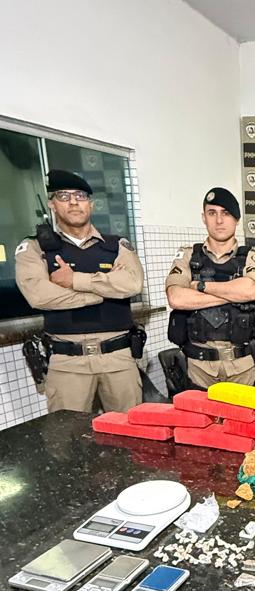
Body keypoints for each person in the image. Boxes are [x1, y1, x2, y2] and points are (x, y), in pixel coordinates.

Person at [15, 169, 144, 413]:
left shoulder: (116, 245)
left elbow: (132, 284)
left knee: (129, 429)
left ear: (91, 204)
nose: (74, 202)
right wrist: (103, 290)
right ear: (52, 204)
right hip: (67, 363)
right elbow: (39, 295)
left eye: (80, 196)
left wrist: (74, 280)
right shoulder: (35, 247)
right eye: (64, 196)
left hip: (118, 358)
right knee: (68, 434)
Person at [165, 188, 255, 388]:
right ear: (204, 218)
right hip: (199, 366)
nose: (219, 220)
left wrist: (200, 286)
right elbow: (176, 298)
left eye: (226, 213)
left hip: (242, 365)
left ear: (236, 219)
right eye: (212, 213)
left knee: (244, 410)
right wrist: (233, 293)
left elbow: (250, 291)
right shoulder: (188, 255)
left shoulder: (251, 256)